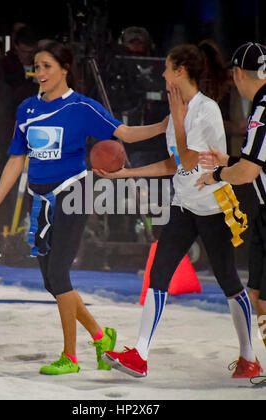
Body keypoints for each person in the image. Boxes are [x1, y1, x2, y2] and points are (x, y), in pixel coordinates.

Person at [0, 40, 168, 375]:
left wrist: (164, 126)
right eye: (36, 66)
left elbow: (123, 132)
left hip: (73, 195)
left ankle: (70, 357)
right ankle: (101, 336)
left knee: (58, 274)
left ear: (65, 69)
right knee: (53, 284)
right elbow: (15, 160)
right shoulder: (27, 109)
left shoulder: (82, 108)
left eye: (47, 66)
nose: (39, 72)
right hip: (38, 201)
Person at [94, 41, 263, 379]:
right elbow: (174, 164)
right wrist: (125, 173)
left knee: (229, 281)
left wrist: (181, 120)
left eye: (167, 67)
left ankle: (249, 357)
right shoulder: (178, 111)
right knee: (158, 274)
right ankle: (139, 354)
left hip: (214, 208)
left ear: (181, 71)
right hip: (184, 205)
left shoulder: (205, 109)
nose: (162, 73)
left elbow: (190, 159)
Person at [195, 42, 266, 354]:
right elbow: (256, 162)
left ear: (238, 74)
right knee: (257, 295)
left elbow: (249, 172)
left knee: (261, 297)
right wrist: (228, 160)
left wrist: (217, 175)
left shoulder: (263, 109)